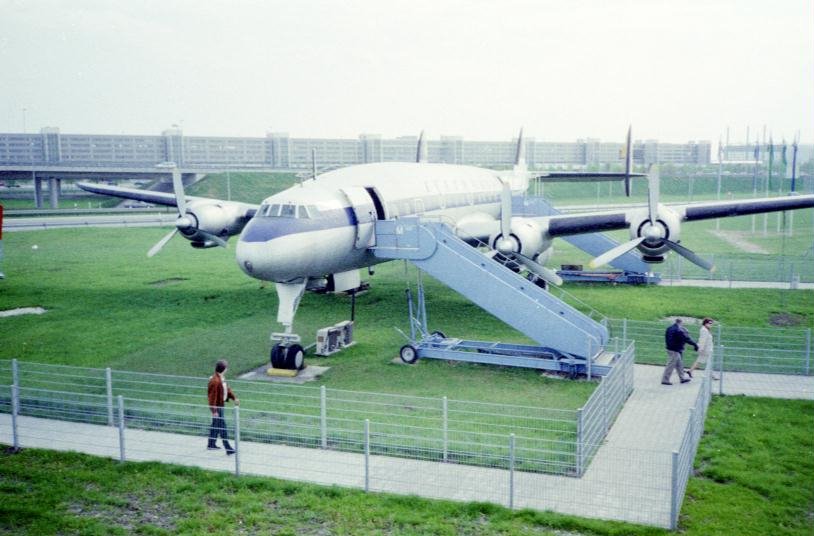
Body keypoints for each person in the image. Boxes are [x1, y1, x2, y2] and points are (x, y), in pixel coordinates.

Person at [207, 359, 239, 455]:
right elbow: (212, 398)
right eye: (227, 368)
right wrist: (214, 411)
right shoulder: (215, 381)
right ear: (224, 369)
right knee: (223, 427)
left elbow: (227, 390)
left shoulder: (221, 378)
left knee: (215, 425)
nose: (227, 369)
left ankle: (211, 444)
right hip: (217, 408)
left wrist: (234, 398)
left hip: (220, 406)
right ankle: (228, 448)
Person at [661, 318, 698, 385]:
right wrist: (695, 344)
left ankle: (682, 378)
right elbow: (687, 339)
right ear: (681, 323)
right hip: (674, 350)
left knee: (679, 364)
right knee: (671, 365)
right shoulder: (679, 331)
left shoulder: (669, 328)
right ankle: (665, 380)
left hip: (670, 349)